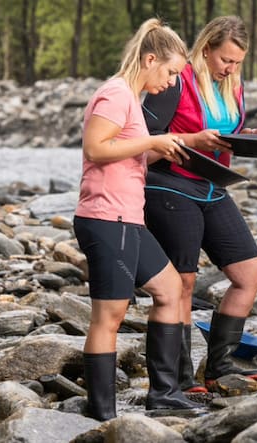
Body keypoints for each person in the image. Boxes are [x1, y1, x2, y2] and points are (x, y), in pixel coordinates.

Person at [73, 18, 201, 420]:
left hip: (129, 219)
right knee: (108, 316)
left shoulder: (131, 97)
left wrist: (165, 149)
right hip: (107, 219)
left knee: (168, 289)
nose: (171, 82)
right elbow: (96, 148)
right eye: (170, 72)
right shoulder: (115, 94)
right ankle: (102, 414)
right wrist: (151, 139)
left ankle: (163, 394)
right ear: (149, 59)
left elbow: (127, 152)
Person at [141, 16, 257, 392]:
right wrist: (193, 141)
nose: (230, 69)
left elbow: (223, 133)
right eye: (224, 60)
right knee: (182, 282)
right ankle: (180, 378)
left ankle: (218, 366)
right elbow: (145, 141)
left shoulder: (232, 84)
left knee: (251, 274)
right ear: (206, 49)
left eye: (237, 63)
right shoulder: (175, 80)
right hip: (171, 186)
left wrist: (251, 137)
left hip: (214, 187)